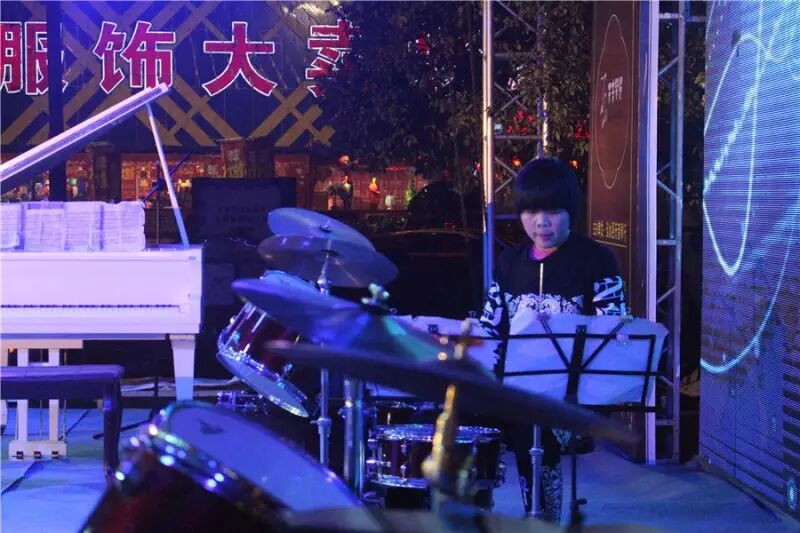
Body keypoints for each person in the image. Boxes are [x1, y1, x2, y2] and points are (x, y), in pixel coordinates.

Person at [479, 157, 627, 522]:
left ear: (570, 211)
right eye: (531, 212)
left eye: (552, 212)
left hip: (576, 393)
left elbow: (614, 333)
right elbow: (489, 328)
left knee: (533, 423)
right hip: (518, 386)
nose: (541, 223)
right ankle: (471, 512)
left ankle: (543, 519)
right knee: (460, 411)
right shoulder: (509, 263)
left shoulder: (596, 260)